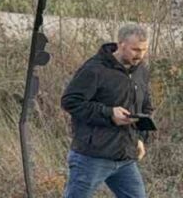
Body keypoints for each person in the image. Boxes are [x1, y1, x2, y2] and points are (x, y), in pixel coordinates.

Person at [60, 24, 153, 198]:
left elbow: (145, 107)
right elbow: (70, 101)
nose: (140, 55)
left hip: (125, 157)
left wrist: (140, 138)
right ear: (121, 44)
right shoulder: (95, 69)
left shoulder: (141, 70)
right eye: (135, 49)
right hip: (92, 156)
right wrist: (109, 113)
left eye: (144, 50)